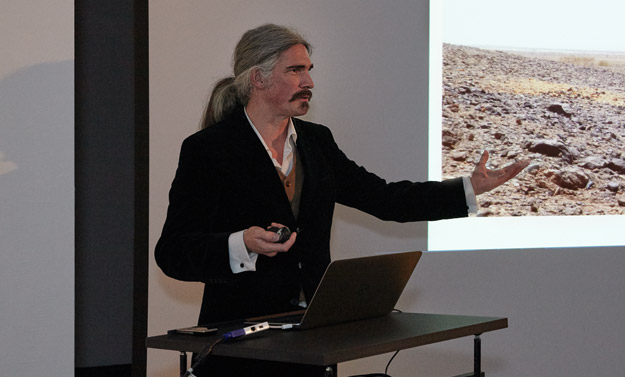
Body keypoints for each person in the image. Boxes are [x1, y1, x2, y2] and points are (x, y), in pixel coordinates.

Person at [154, 23, 529, 376]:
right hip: (240, 346)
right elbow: (173, 253)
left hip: (314, 341)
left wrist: (468, 189)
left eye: (309, 69)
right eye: (295, 70)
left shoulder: (317, 142)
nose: (309, 82)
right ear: (258, 77)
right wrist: (242, 244)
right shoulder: (209, 150)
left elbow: (385, 199)